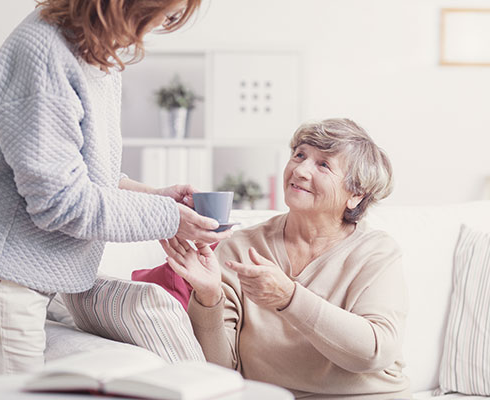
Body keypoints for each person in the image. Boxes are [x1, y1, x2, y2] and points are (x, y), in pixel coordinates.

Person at [0, 0, 232, 379]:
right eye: (166, 15)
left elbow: (84, 173)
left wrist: (152, 197)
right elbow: (58, 201)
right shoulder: (44, 53)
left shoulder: (96, 52)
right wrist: (170, 219)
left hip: (28, 275)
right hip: (0, 274)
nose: (161, 28)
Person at [161, 118, 410, 399]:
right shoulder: (240, 249)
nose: (300, 170)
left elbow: (375, 352)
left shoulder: (376, 252)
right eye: (299, 155)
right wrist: (208, 297)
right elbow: (221, 373)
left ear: (355, 195)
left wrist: (290, 298)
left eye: (323, 164)